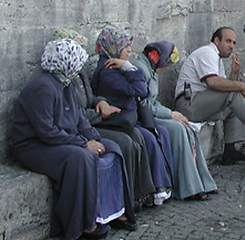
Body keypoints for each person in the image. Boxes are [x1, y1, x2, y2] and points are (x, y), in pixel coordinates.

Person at [13, 39, 137, 240]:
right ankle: (83, 224)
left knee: (111, 147)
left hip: (60, 139)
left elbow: (79, 117)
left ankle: (114, 210)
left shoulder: (66, 83)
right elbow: (46, 131)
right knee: (81, 158)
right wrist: (83, 144)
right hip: (34, 146)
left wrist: (93, 138)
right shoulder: (42, 87)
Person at [52, 28, 155, 209]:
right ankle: (126, 200)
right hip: (89, 124)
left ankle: (139, 194)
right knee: (124, 142)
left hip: (94, 120)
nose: (129, 51)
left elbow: (91, 97)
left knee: (138, 136)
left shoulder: (79, 73)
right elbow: (71, 114)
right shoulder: (105, 71)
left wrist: (102, 102)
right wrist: (100, 112)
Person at [91, 26, 174, 206]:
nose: (129, 51)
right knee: (147, 139)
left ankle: (162, 184)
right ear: (113, 48)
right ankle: (149, 190)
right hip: (118, 122)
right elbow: (141, 90)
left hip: (129, 119)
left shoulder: (114, 67)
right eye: (125, 47)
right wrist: (128, 67)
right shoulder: (108, 71)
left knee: (160, 134)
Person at [129, 41, 218, 200]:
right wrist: (170, 114)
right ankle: (189, 187)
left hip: (150, 113)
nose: (168, 67)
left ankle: (200, 182)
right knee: (177, 129)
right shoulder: (142, 69)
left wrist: (171, 114)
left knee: (185, 127)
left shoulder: (150, 69)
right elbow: (144, 104)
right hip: (143, 117)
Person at [174, 27, 245, 165]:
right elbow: (213, 83)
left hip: (200, 103)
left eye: (234, 43)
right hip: (188, 104)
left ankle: (230, 151)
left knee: (236, 103)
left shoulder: (217, 59)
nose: (231, 46)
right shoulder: (207, 52)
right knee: (235, 92)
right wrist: (241, 86)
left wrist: (234, 74)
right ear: (216, 40)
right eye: (228, 41)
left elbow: (224, 89)